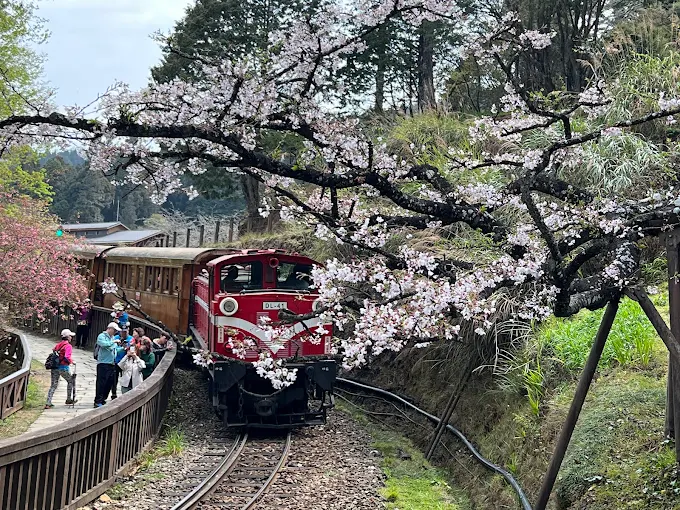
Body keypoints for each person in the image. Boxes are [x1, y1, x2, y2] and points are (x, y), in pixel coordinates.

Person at [45, 329, 77, 408]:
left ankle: (48, 402)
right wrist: (72, 362)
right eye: (70, 336)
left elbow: (54, 352)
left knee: (53, 385)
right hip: (63, 367)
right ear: (68, 337)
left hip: (55, 367)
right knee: (71, 381)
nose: (71, 338)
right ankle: (68, 399)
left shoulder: (58, 345)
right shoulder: (68, 346)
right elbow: (67, 357)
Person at [94, 322, 121, 408]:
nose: (115, 332)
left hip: (112, 363)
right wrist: (114, 342)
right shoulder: (102, 336)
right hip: (103, 363)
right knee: (101, 382)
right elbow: (104, 345)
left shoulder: (112, 338)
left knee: (109, 383)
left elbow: (114, 348)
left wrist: (123, 348)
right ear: (110, 329)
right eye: (114, 330)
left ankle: (103, 399)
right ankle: (98, 400)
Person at [111, 328, 132, 399]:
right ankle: (114, 393)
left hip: (125, 362)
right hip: (116, 361)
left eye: (125, 332)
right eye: (122, 332)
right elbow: (115, 349)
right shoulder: (116, 338)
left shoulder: (131, 339)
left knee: (125, 378)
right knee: (114, 379)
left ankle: (125, 393)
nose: (123, 333)